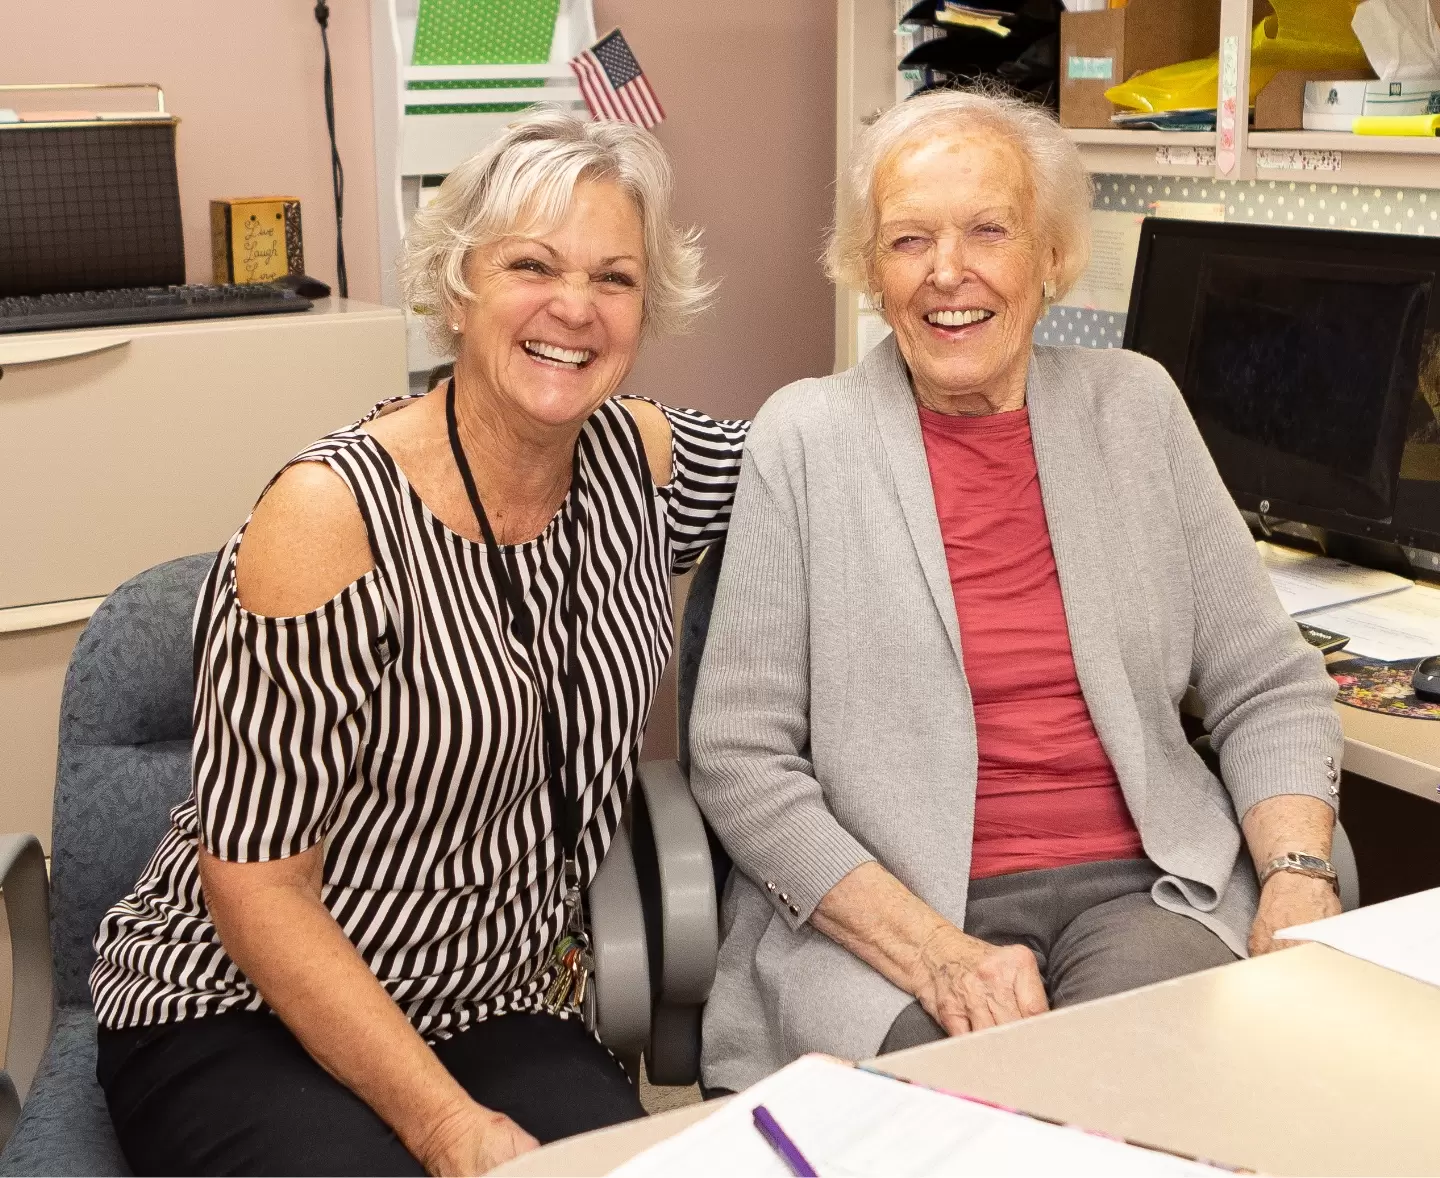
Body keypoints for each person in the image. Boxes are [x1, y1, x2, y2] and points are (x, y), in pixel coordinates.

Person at [90, 108, 749, 1175]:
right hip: (238, 1002)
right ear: (457, 286)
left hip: (490, 996)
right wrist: (441, 1118)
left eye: (614, 278)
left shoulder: (649, 466)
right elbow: (255, 886)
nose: (574, 308)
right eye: (532, 264)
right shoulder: (330, 517)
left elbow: (829, 464)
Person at [689, 89, 1345, 1095]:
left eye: (988, 231)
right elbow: (741, 757)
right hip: (894, 915)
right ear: (871, 270)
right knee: (977, 1121)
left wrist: (1299, 876)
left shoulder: (1136, 406)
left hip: (1147, 891)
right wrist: (936, 953)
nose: (948, 272)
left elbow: (1268, 681)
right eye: (909, 240)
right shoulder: (807, 436)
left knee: (1144, 1089)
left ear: (1050, 256)